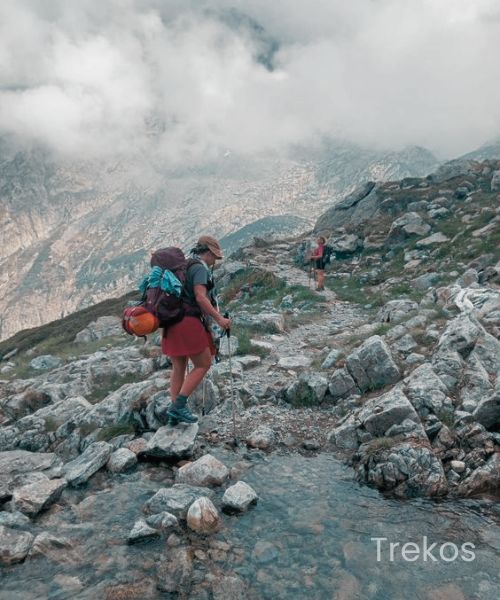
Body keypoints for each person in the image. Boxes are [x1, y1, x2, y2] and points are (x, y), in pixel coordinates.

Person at [163, 235, 231, 424]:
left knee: (179, 367)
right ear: (208, 252)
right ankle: (179, 406)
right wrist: (220, 319)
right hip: (188, 323)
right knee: (203, 364)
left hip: (171, 322)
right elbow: (201, 298)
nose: (214, 262)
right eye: (214, 257)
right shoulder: (200, 269)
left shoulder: (182, 266)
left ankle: (173, 418)